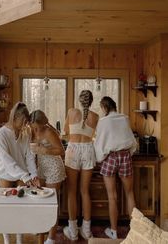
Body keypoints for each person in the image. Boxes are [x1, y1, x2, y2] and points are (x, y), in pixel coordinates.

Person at [0, 102, 40, 244]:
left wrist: (33, 174)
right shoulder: (1, 134)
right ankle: (7, 240)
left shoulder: (25, 132)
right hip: (5, 173)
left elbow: (28, 155)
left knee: (21, 206)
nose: (25, 124)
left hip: (22, 172)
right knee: (6, 208)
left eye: (27, 122)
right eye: (23, 121)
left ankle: (19, 239)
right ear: (15, 117)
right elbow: (8, 162)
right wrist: (26, 176)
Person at [94, 96, 137, 240]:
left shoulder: (103, 121)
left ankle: (113, 232)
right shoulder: (124, 118)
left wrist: (99, 158)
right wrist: (127, 153)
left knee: (112, 197)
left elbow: (99, 144)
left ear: (105, 108)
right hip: (125, 156)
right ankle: (135, 232)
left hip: (111, 157)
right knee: (130, 193)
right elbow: (132, 141)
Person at [63, 90, 99, 241]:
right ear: (91, 101)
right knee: (85, 191)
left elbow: (65, 132)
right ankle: (86, 230)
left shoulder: (71, 112)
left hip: (73, 150)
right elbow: (93, 135)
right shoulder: (96, 117)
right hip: (88, 150)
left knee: (72, 191)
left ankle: (73, 232)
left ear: (80, 100)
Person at [29, 110, 66, 244]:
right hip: (41, 169)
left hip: (54, 168)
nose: (35, 130)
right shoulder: (31, 131)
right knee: (40, 200)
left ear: (43, 123)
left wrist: (46, 150)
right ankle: (41, 227)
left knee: (51, 204)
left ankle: (51, 238)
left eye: (37, 127)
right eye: (33, 127)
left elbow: (61, 151)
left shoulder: (49, 132)